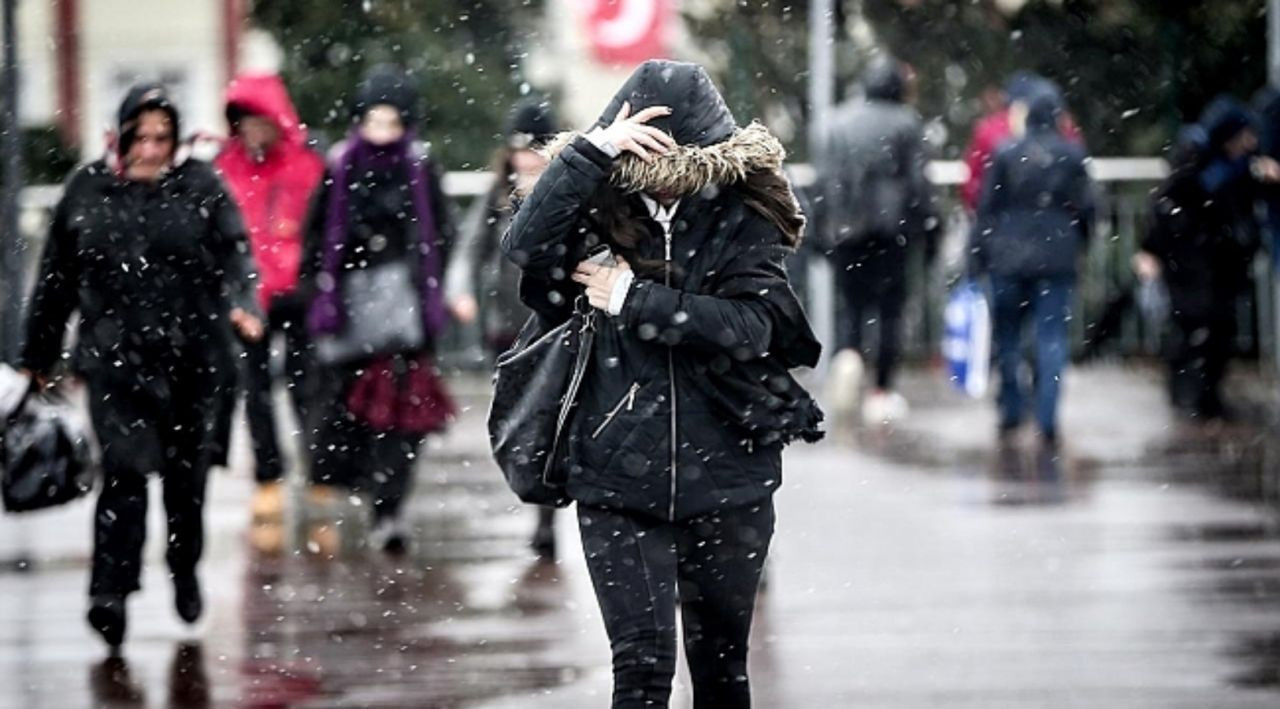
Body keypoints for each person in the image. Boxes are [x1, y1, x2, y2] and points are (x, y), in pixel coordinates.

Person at [503, 60, 824, 708]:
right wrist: (592, 152)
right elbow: (525, 245)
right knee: (642, 672)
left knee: (721, 672)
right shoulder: (596, 203)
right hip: (616, 471)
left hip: (728, 469)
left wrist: (636, 299)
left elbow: (754, 325)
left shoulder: (741, 212)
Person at [21, 83, 263, 648]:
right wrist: (37, 357)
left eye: (162, 137)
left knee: (186, 483)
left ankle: (184, 567)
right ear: (122, 135)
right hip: (114, 362)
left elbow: (237, 254)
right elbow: (56, 279)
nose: (152, 149)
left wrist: (243, 305)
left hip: (193, 361)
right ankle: (110, 593)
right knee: (125, 477)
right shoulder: (88, 189)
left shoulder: (201, 185)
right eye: (141, 137)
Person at [303, 65, 456, 554]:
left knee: (402, 420)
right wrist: (323, 292)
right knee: (346, 416)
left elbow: (440, 236)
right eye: (375, 121)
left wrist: (425, 291)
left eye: (393, 122)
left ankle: (389, 510)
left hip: (406, 320)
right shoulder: (340, 166)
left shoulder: (419, 167)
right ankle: (365, 493)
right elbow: (316, 237)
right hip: (346, 316)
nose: (383, 132)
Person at [214, 72, 325, 553]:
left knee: (308, 389)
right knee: (254, 392)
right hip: (249, 300)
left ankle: (317, 471)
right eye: (244, 123)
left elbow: (321, 230)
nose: (252, 132)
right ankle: (269, 477)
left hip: (296, 295)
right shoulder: (226, 167)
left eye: (259, 121)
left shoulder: (306, 164)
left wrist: (308, 278)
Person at [443, 97, 558, 557]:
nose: (526, 159)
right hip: (505, 329)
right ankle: (536, 496)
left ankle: (546, 513)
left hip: (552, 322)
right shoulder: (497, 199)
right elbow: (469, 251)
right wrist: (461, 293)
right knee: (520, 420)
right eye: (519, 149)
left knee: (549, 416)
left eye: (534, 149)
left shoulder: (565, 192)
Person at [1134, 98, 1280, 420]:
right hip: (1190, 262)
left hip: (1222, 263)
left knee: (1218, 331)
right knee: (1192, 327)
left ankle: (1206, 398)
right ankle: (1190, 397)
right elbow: (1165, 206)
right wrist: (1151, 250)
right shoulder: (1197, 160)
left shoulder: (1244, 165)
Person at [817, 55, 938, 424]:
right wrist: (927, 228)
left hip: (846, 229)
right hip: (891, 231)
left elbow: (825, 181)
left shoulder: (838, 122)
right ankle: (881, 391)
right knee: (889, 311)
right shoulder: (907, 123)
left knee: (850, 306)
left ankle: (848, 357)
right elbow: (919, 185)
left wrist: (822, 231)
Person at [971, 87, 1094, 448]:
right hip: (1056, 257)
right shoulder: (1072, 156)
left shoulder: (1006, 153)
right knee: (1051, 337)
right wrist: (1078, 244)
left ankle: (1011, 410)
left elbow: (986, 208)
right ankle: (1047, 417)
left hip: (1008, 257)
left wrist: (978, 254)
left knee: (1007, 336)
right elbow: (1088, 208)